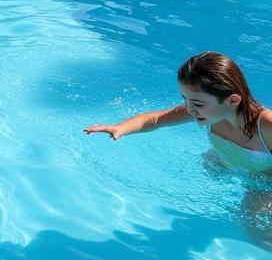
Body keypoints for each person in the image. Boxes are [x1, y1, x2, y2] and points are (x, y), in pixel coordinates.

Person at [84, 52, 272, 176]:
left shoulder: (266, 125)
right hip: (224, 162)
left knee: (254, 229)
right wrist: (121, 128)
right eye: (185, 99)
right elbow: (155, 119)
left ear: (232, 101)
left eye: (197, 102)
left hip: (263, 179)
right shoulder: (206, 111)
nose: (190, 108)